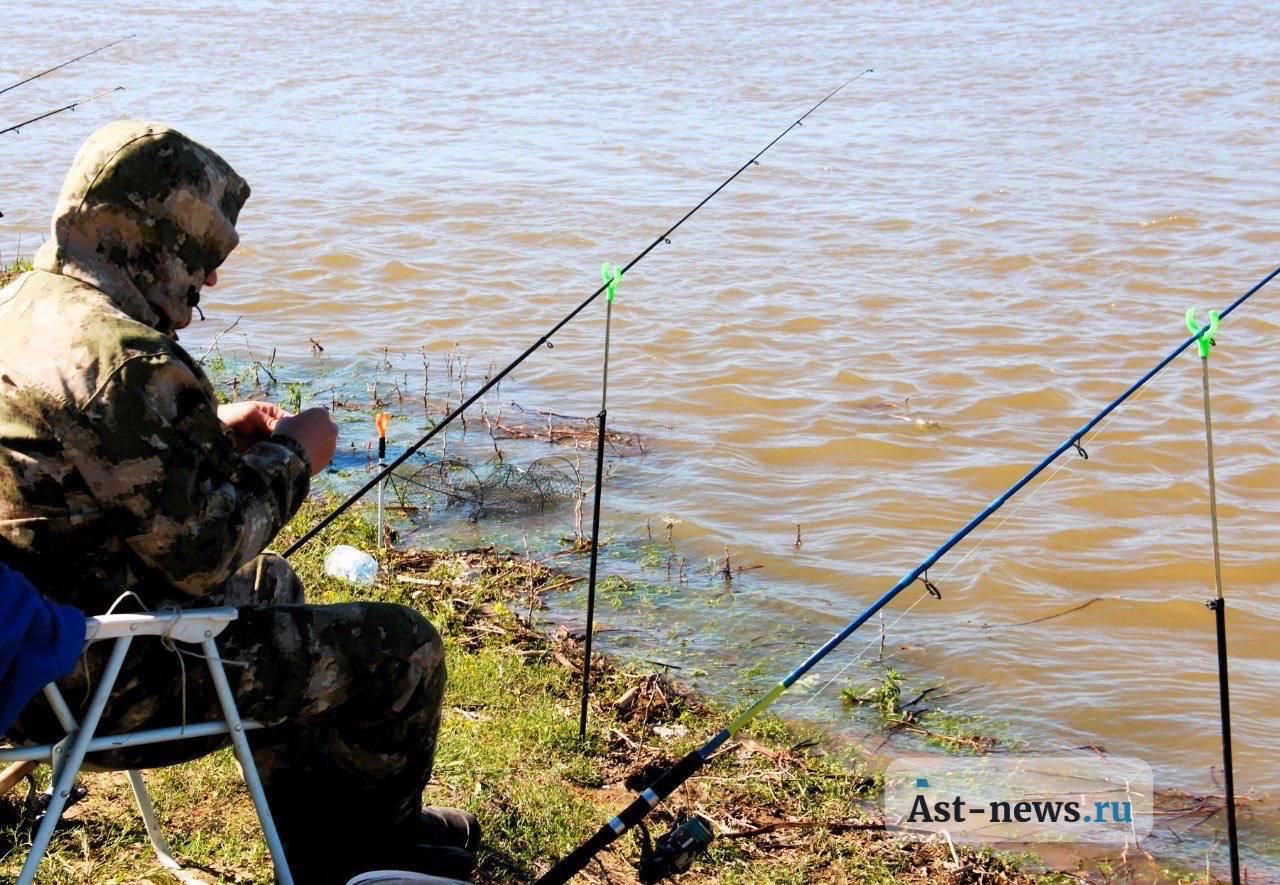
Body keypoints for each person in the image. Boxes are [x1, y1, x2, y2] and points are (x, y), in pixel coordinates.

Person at [0, 120, 478, 883]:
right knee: (403, 647)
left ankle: (316, 828)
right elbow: (206, 554)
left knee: (276, 590)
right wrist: (295, 455)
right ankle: (374, 850)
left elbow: (72, 456)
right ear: (143, 236)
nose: (209, 280)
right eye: (198, 254)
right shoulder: (125, 360)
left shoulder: (24, 303)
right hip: (99, 682)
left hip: (26, 653)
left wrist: (203, 434)